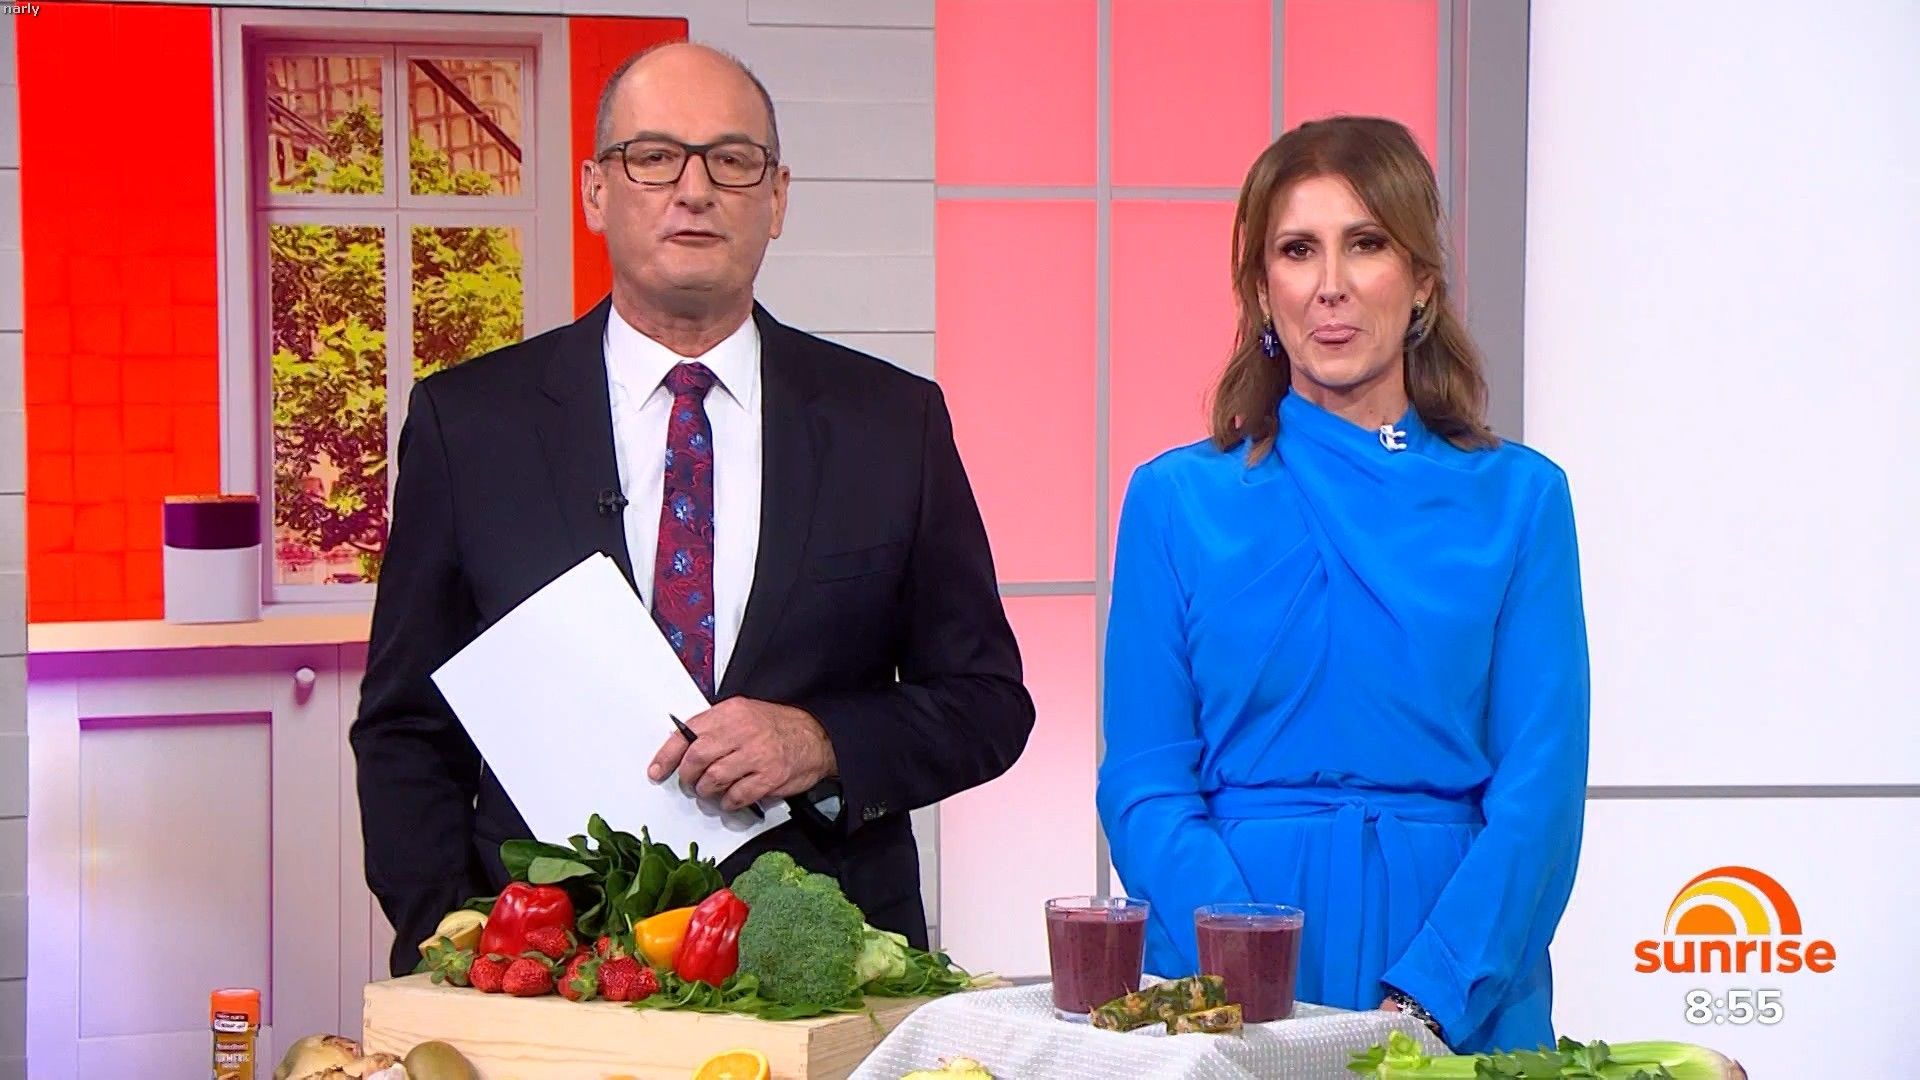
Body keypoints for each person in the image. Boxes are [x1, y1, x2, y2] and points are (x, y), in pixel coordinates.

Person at [351, 42, 1034, 978]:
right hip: (549, 978)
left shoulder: (891, 423)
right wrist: (463, 945)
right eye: (655, 157)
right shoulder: (469, 425)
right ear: (595, 191)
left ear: (777, 198)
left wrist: (821, 741)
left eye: (732, 160)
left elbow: (987, 703)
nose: (695, 189)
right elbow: (404, 728)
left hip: (823, 972)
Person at [1096, 116, 1589, 1054]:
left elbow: (1543, 786)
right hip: (1235, 965)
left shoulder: (1521, 500)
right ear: (1262, 289)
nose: (1331, 283)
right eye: (1297, 250)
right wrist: (1244, 970)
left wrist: (1433, 997)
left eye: (1366, 244)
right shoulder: (1174, 500)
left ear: (1422, 283)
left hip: (1460, 966)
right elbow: (1145, 781)